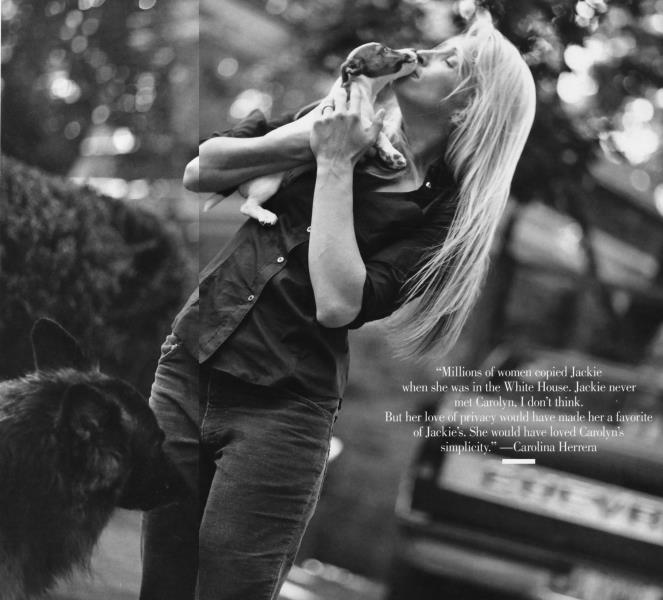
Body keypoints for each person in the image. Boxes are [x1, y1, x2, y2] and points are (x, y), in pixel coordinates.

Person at [139, 17, 536, 600]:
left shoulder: (444, 219)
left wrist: (333, 163)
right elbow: (203, 170)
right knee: (163, 584)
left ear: (468, 107)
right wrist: (317, 139)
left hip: (280, 409)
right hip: (189, 366)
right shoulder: (337, 120)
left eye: (450, 60)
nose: (421, 53)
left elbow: (337, 302)